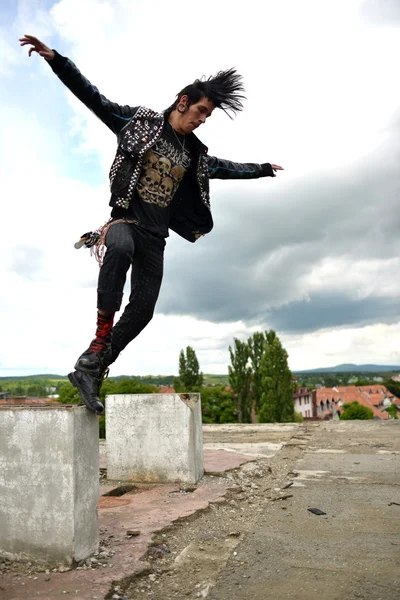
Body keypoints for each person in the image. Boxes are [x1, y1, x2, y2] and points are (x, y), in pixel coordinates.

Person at [20, 34, 284, 416]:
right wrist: (56, 60)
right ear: (183, 102)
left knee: (143, 310)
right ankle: (97, 346)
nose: (203, 119)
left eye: (208, 115)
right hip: (126, 221)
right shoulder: (139, 123)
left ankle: (92, 367)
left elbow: (222, 168)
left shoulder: (193, 153)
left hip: (156, 238)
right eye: (202, 110)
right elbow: (93, 98)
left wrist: (260, 170)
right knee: (121, 247)